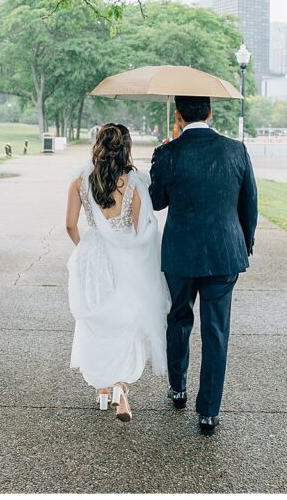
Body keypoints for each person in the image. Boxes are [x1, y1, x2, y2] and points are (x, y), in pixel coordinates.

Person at [149, 95, 258, 436]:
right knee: (216, 331)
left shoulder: (167, 153)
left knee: (178, 318)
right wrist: (245, 243)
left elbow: (156, 201)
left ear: (178, 115)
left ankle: (178, 387)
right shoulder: (236, 150)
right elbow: (249, 204)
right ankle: (208, 412)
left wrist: (160, 162)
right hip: (224, 253)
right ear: (210, 112)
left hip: (180, 254)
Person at [64, 123, 170, 422]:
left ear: (97, 144)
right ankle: (121, 388)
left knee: (97, 318)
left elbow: (70, 225)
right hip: (125, 256)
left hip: (93, 254)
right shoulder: (134, 183)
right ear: (126, 148)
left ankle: (101, 387)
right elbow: (141, 230)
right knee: (127, 319)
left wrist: (84, 247)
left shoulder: (80, 181)